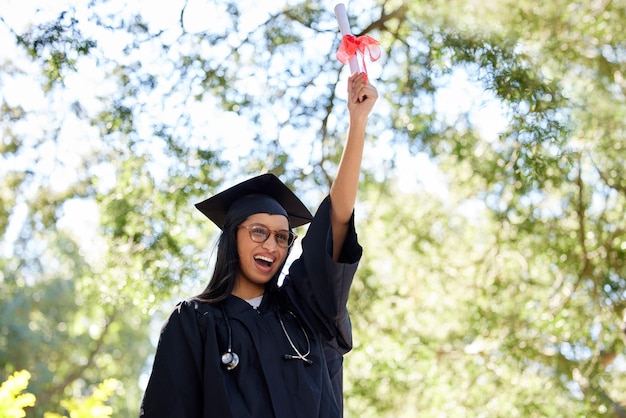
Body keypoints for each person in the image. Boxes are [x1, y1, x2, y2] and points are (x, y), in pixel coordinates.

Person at [139, 73, 378, 417]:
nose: (272, 245)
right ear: (233, 235)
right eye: (258, 232)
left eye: (282, 236)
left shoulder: (304, 313)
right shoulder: (195, 322)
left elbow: (336, 223)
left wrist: (358, 123)